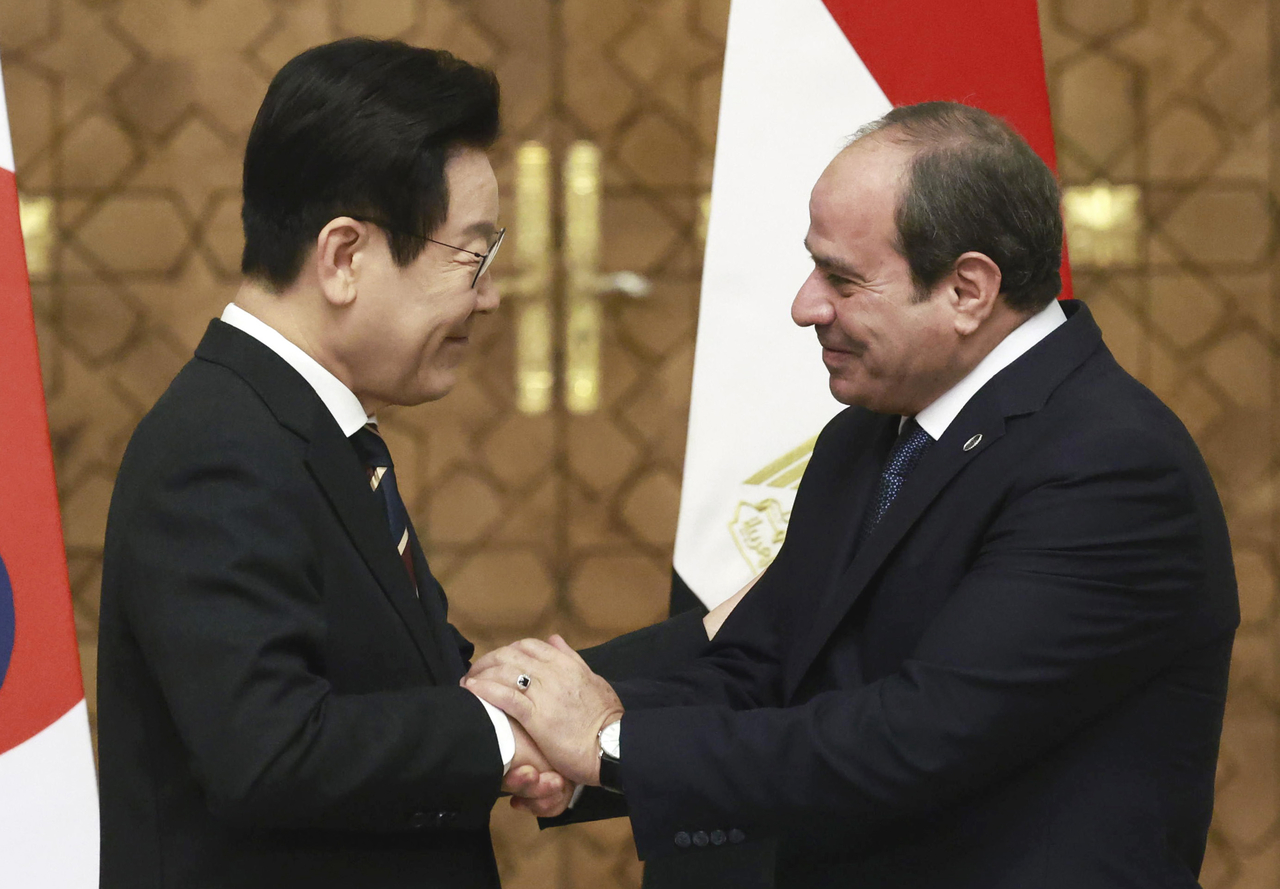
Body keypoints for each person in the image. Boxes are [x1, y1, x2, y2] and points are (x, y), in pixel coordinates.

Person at [465, 102, 1240, 888]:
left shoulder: (1108, 465)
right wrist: (530, 729)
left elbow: (918, 735)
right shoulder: (869, 436)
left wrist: (606, 743)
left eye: (841, 277)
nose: (806, 306)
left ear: (968, 289)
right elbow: (761, 668)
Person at [96, 38, 578, 889]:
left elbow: (407, 684)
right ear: (346, 256)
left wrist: (694, 652)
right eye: (473, 255)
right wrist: (499, 738)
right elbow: (270, 749)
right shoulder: (218, 449)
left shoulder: (303, 429)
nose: (490, 295)